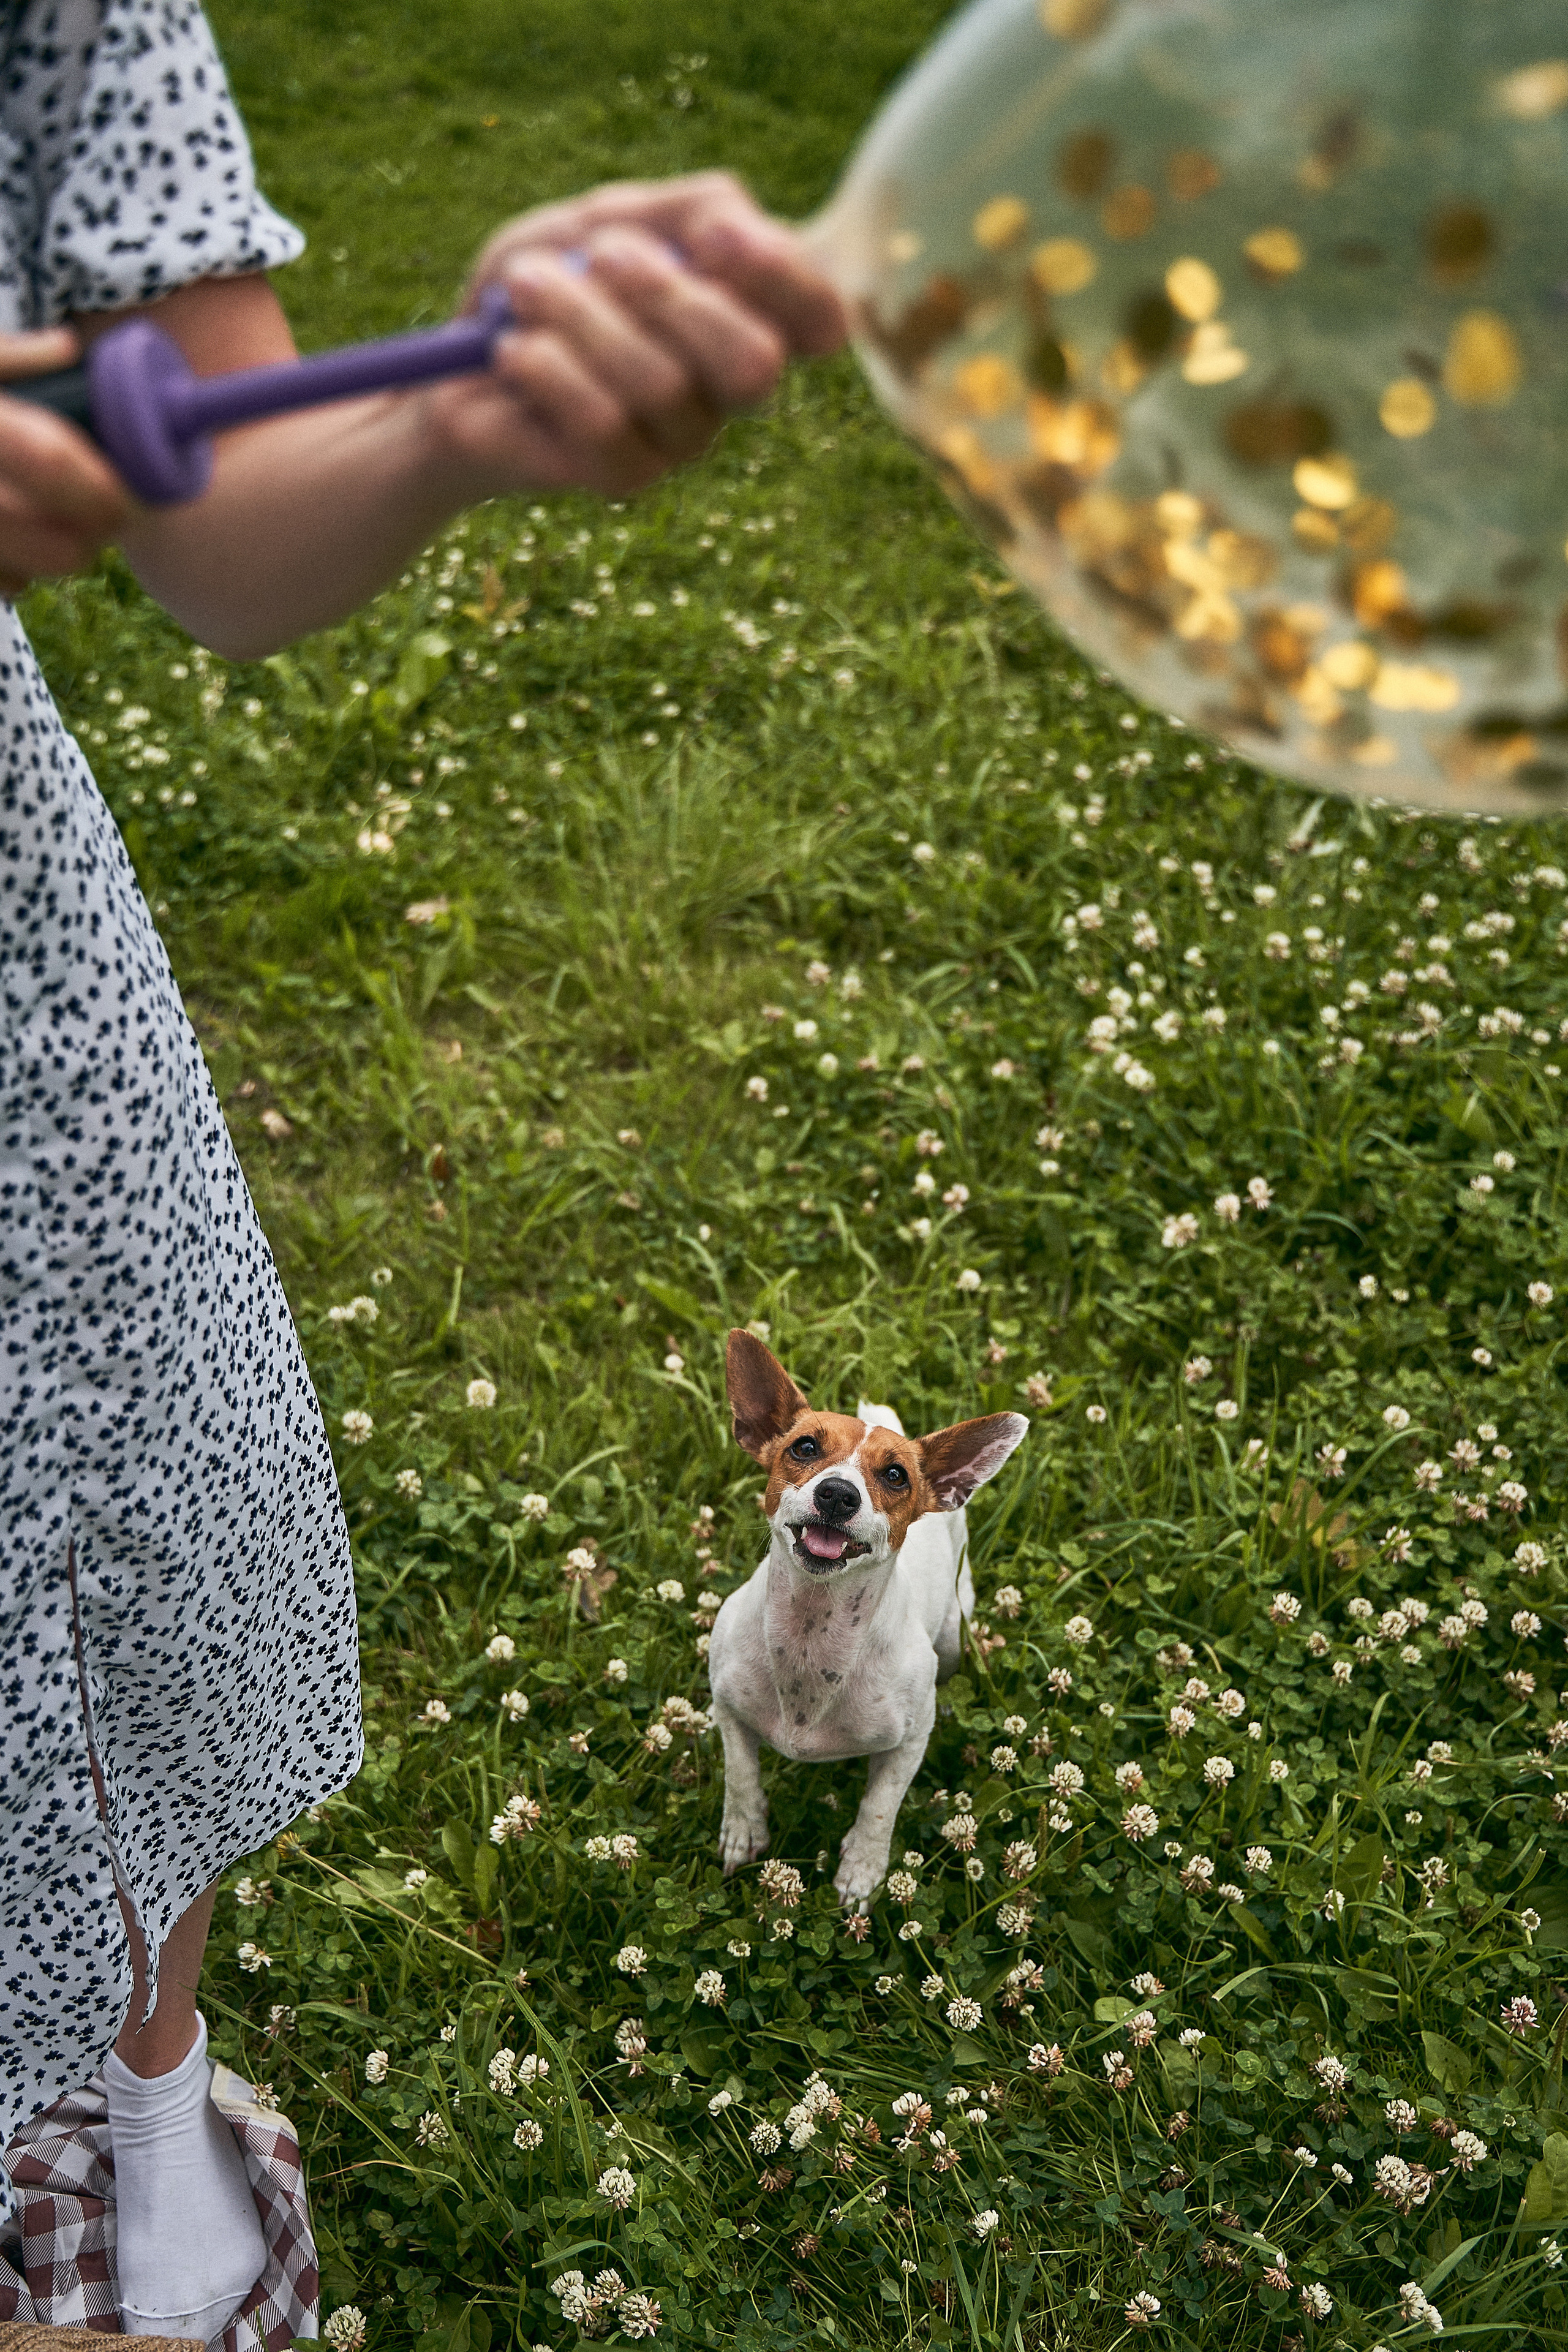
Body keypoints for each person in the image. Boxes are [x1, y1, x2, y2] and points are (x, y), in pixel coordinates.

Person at [0, 1, 846, 2339]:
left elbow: (216, 515)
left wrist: (456, 415)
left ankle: (139, 2118)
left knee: (137, 1562)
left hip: (17, 1011)